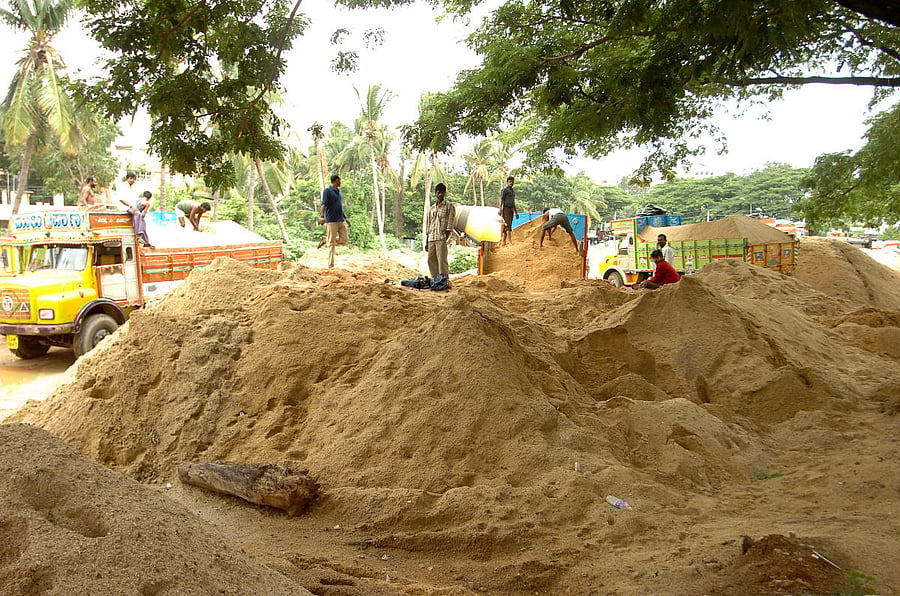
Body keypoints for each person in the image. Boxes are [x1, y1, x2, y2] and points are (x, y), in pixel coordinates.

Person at [319, 174, 351, 268]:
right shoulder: (327, 191)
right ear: (336, 181)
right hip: (331, 221)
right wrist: (322, 217)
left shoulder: (339, 192)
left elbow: (340, 207)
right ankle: (330, 265)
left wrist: (346, 218)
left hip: (340, 220)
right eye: (339, 180)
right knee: (332, 245)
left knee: (344, 239)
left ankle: (326, 240)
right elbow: (323, 205)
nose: (340, 182)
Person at [425, 182, 456, 278]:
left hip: (441, 237)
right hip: (431, 238)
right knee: (431, 260)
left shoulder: (449, 207)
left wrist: (445, 238)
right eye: (438, 192)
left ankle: (443, 281)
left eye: (442, 192)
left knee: (442, 261)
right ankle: (435, 280)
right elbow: (429, 224)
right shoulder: (432, 208)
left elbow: (450, 225)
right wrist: (427, 240)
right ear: (435, 193)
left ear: (444, 193)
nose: (440, 194)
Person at [497, 176, 518, 245]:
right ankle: (509, 241)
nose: (511, 183)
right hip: (505, 209)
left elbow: (513, 202)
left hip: (511, 210)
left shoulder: (512, 191)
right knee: (508, 225)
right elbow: (502, 200)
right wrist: (500, 209)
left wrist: (516, 212)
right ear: (507, 182)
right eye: (510, 181)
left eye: (512, 182)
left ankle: (503, 242)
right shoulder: (505, 190)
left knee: (509, 225)